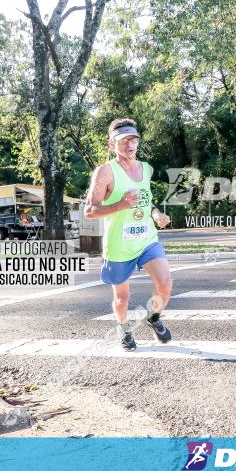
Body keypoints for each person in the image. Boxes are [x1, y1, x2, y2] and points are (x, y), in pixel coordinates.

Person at [84, 118, 173, 351]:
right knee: (122, 297)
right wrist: (120, 206)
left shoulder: (146, 169)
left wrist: (155, 214)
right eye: (124, 141)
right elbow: (90, 211)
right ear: (112, 145)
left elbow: (147, 202)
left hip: (146, 239)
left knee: (165, 284)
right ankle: (123, 328)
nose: (131, 145)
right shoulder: (105, 172)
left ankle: (153, 317)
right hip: (119, 245)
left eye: (134, 140)